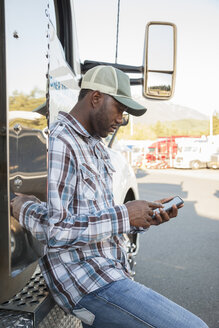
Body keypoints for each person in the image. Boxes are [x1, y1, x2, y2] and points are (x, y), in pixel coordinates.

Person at [11, 65, 208, 328]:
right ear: (96, 98)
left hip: (110, 271)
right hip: (86, 281)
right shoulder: (62, 142)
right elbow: (57, 231)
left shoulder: (95, 145)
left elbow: (95, 216)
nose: (122, 120)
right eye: (120, 110)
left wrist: (142, 218)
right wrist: (125, 215)